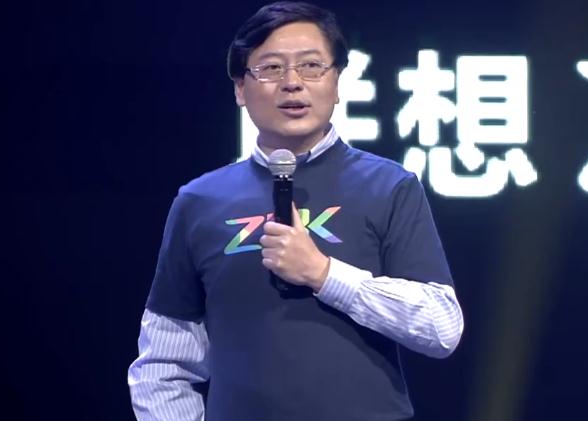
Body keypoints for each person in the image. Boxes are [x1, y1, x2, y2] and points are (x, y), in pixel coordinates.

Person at [127, 2, 464, 420]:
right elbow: (163, 364)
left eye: (311, 66)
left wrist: (324, 274)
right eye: (271, 68)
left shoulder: (389, 185)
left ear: (337, 82)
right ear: (240, 88)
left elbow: (441, 327)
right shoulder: (200, 201)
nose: (292, 83)